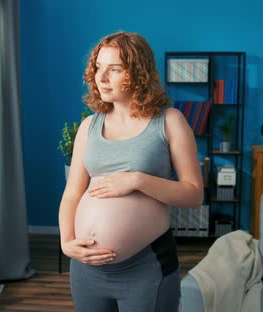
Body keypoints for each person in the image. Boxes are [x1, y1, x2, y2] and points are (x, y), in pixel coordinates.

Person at [58, 31, 204, 312]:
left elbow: (194, 194)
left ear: (138, 72)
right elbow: (72, 193)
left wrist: (137, 180)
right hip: (86, 270)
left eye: (114, 69)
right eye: (99, 68)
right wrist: (66, 243)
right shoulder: (89, 126)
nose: (101, 77)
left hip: (146, 269)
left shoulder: (170, 121)